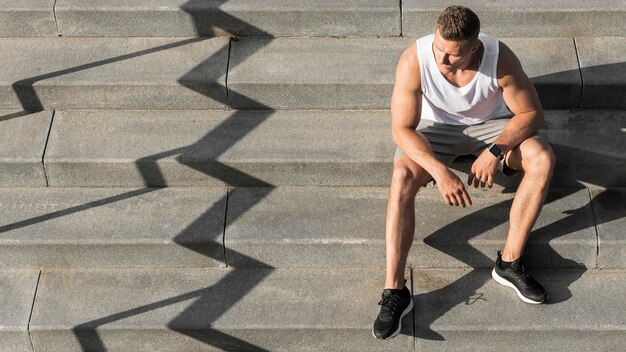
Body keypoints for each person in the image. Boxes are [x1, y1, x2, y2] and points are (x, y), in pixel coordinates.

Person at [372, 5, 556, 340]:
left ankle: (509, 263)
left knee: (542, 157)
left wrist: (495, 151)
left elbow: (531, 113)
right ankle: (395, 291)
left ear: (474, 48)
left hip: (492, 127)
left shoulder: (499, 58)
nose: (441, 60)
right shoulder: (416, 59)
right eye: (439, 49)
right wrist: (439, 172)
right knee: (400, 177)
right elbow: (401, 129)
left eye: (452, 55)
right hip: (434, 130)